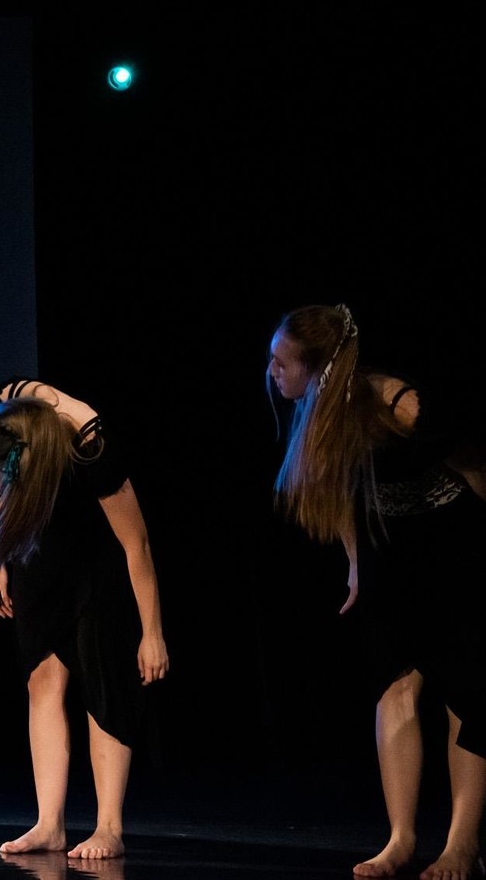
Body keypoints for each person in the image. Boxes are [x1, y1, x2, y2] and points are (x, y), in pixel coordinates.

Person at [268, 304, 485, 880]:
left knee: (464, 691)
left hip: (450, 538)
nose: (272, 372)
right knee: (394, 681)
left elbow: (472, 466)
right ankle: (401, 839)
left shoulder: (393, 402)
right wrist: (356, 565)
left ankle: (462, 843)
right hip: (388, 541)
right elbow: (341, 494)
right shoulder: (319, 413)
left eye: (282, 361)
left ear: (317, 364)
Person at [0, 379, 169, 861]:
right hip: (40, 559)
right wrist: (0, 558)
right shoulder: (3, 417)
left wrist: (152, 632)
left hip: (96, 565)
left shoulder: (91, 449)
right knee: (42, 681)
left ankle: (109, 827)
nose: (7, 474)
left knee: (102, 687)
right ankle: (49, 824)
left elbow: (137, 545)